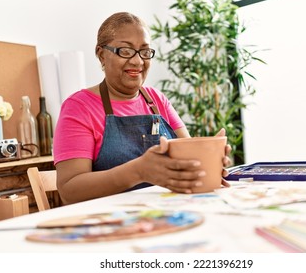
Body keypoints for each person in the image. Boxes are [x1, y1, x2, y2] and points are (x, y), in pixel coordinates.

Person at [53, 12, 231, 205]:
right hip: (109, 223)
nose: (138, 61)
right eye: (125, 51)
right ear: (101, 54)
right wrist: (138, 171)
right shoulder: (79, 107)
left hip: (166, 212)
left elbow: (187, 158)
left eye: (145, 52)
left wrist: (208, 161)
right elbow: (69, 190)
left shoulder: (157, 100)